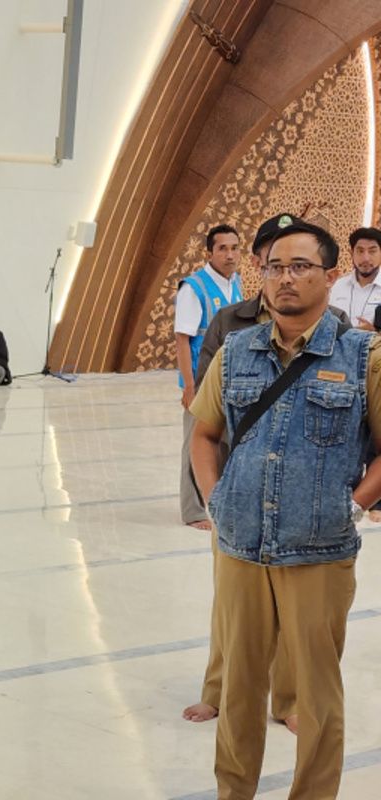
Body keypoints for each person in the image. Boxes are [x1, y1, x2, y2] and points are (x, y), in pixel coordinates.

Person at [190, 220, 381, 798]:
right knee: (241, 692)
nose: (285, 279)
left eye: (300, 266)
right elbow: (203, 434)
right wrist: (216, 500)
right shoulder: (235, 352)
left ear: (330, 275)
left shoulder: (363, 355)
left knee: (318, 697)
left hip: (319, 553)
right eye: (274, 267)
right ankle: (234, 792)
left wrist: (352, 505)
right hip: (241, 548)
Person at [176, 224, 244, 530]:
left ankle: (223, 502)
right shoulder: (194, 288)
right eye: (223, 249)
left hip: (231, 378)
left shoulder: (236, 283)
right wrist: (189, 386)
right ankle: (193, 511)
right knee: (195, 443)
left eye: (235, 248)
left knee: (228, 443)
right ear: (209, 253)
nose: (230, 255)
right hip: (202, 381)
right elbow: (182, 339)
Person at [329, 226, 381, 330]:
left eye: (372, 251)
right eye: (360, 251)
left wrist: (375, 334)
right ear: (351, 253)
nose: (366, 258)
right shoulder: (336, 286)